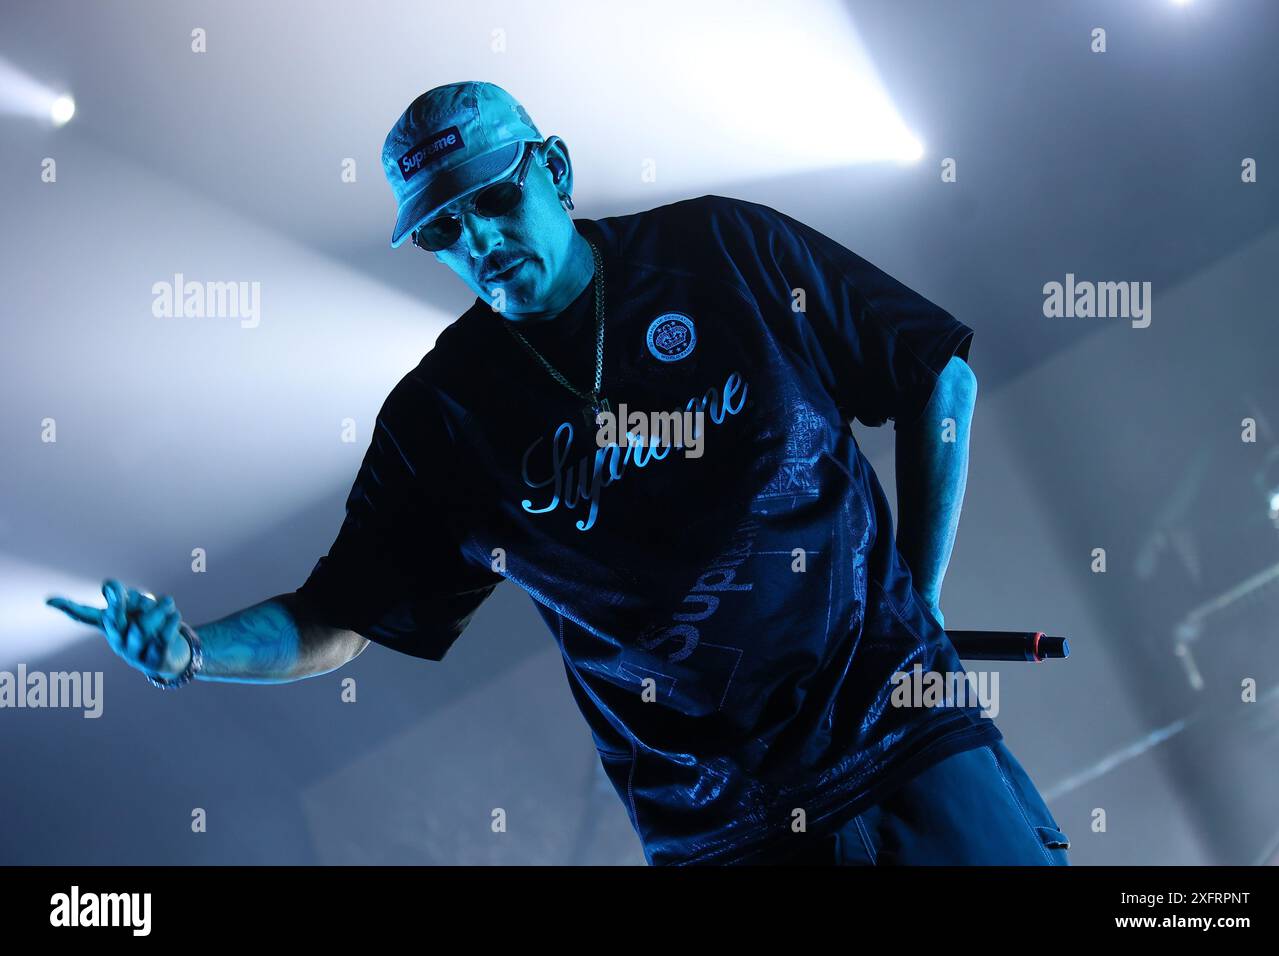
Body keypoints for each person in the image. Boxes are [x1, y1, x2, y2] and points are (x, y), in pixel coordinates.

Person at [48, 81, 1069, 866]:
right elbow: (340, 613)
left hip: (902, 737)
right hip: (723, 826)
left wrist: (920, 596)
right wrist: (192, 649)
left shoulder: (723, 250)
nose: (480, 240)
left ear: (556, 168)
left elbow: (935, 373)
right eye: (443, 229)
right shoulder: (440, 418)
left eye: (493, 200)